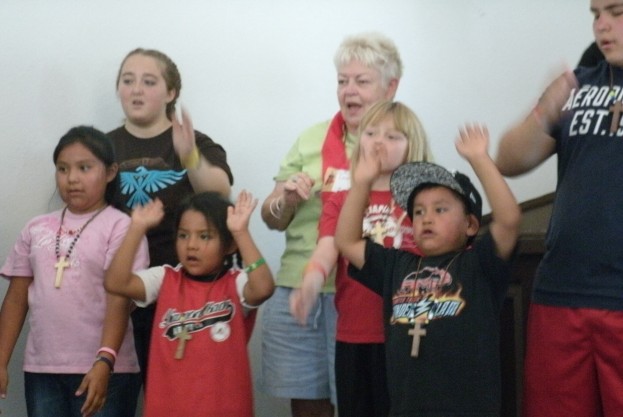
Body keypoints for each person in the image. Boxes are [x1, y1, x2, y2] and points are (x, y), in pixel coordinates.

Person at [260, 32, 403, 417]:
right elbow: (271, 218)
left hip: (366, 292)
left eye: (361, 81)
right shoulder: (310, 138)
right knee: (306, 401)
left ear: (391, 87)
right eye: (342, 81)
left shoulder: (402, 142)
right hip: (299, 283)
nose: (348, 91)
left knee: (363, 402)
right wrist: (286, 199)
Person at [336, 125, 521, 416]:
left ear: (471, 225)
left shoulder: (479, 266)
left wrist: (479, 158)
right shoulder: (397, 265)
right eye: (419, 211)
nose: (426, 218)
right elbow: (346, 242)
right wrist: (361, 183)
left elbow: (509, 220)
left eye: (441, 209)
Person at [495, 1, 623, 415]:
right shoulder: (580, 84)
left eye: (616, 12)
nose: (602, 25)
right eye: (595, 13)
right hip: (561, 291)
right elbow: (510, 159)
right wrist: (545, 109)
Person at [289, 100, 432, 417]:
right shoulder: (344, 196)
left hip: (408, 335)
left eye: (393, 137)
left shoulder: (424, 199)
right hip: (353, 334)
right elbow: (327, 247)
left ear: (413, 146)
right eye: (371, 133)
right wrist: (311, 283)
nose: (379, 142)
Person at [0, 126, 150, 417]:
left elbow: (121, 301)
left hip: (107, 370)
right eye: (63, 169)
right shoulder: (36, 227)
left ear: (110, 172)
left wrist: (104, 361)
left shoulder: (122, 228)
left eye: (84, 168)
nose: (72, 179)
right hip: (42, 370)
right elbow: (16, 299)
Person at [109, 47, 233, 386]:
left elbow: (219, 192)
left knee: (174, 395)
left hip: (177, 295)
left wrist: (188, 155)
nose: (136, 89)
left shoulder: (195, 143)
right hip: (116, 292)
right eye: (128, 80)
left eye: (149, 81)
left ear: (171, 92)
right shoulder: (102, 147)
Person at [104, 190, 274, 417]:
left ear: (229, 245)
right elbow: (116, 282)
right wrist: (136, 229)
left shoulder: (237, 283)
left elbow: (264, 287)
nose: (191, 245)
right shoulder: (165, 278)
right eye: (183, 235)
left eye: (205, 236)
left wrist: (241, 233)